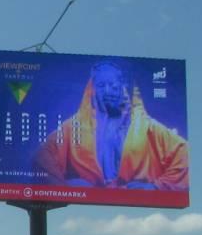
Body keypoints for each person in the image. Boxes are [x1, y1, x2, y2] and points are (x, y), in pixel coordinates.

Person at [33, 59, 188, 191]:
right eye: (101, 85)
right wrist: (64, 187)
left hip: (131, 205)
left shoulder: (146, 126)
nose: (107, 91)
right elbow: (41, 158)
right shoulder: (75, 126)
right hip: (88, 206)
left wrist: (156, 187)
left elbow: (184, 153)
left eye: (113, 85)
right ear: (92, 89)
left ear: (122, 87)